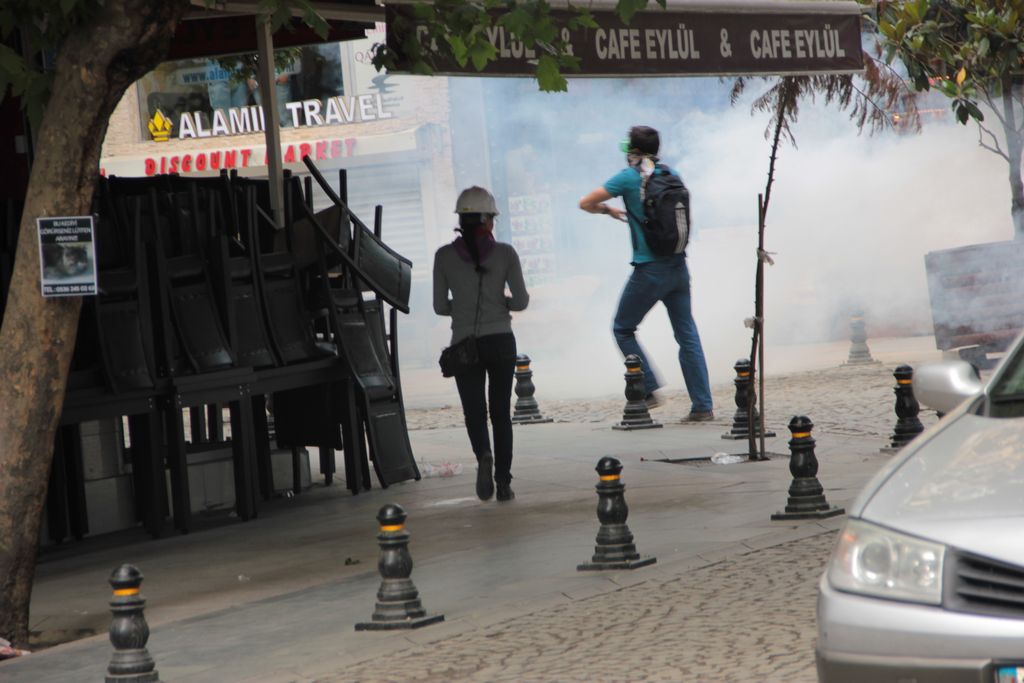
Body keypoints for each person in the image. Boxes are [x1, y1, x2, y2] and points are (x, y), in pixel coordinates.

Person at [578, 125, 714, 422]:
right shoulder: (671, 174)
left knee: (622, 328)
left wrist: (608, 211)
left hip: (649, 270)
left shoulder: (628, 177)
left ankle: (649, 388)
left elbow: (585, 202)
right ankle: (703, 406)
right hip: (679, 267)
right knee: (687, 335)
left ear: (633, 151)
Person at [433, 187, 530, 501]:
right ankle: (503, 482)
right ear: (488, 221)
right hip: (501, 341)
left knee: (474, 413)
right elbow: (521, 302)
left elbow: (438, 306)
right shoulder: (506, 254)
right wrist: (501, 303)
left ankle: (483, 455)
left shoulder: (443, 257)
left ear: (461, 220)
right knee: (500, 413)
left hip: (464, 344)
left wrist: (460, 307)